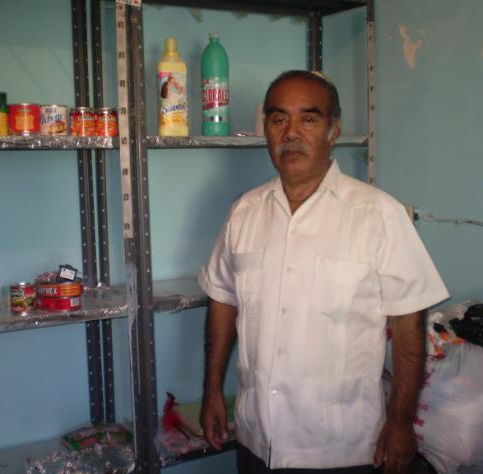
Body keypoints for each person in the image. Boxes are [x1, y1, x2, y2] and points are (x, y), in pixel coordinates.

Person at [197, 70, 449, 474]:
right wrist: (211, 389)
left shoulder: (378, 215)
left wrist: (401, 422)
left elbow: (408, 322)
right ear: (266, 129)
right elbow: (223, 300)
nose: (291, 133)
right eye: (279, 119)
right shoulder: (244, 212)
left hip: (342, 449)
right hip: (256, 439)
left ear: (333, 130)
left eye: (309, 119)